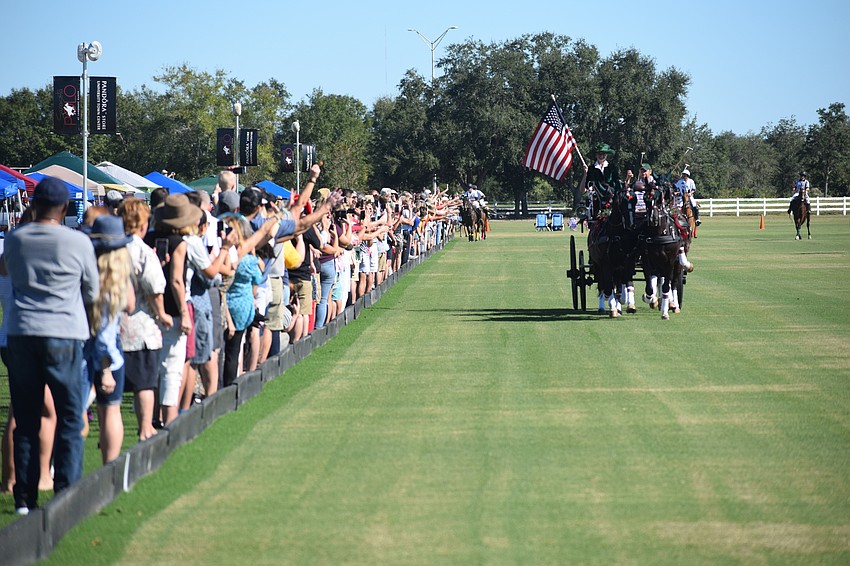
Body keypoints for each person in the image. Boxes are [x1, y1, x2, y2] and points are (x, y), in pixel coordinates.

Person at [0, 176, 99, 515]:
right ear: (66, 207)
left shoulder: (15, 239)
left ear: (33, 203)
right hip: (65, 331)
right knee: (70, 416)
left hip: (23, 331)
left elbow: (8, 273)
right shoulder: (78, 242)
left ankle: (23, 498)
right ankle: (65, 492)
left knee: (25, 418)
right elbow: (92, 292)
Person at [117, 198, 173, 440]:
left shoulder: (110, 247)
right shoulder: (141, 250)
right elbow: (154, 288)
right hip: (140, 328)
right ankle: (145, 429)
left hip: (111, 326)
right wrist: (162, 314)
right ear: (143, 223)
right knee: (145, 384)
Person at [144, 194, 200, 425]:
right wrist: (185, 314)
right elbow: (177, 281)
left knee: (153, 370)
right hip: (172, 312)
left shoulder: (147, 238)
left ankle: (149, 421)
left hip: (148, 310)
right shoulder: (180, 244)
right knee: (171, 371)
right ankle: (170, 423)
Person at [85, 214, 135, 464]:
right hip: (105, 352)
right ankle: (109, 468)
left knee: (78, 412)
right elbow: (105, 330)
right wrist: (105, 369)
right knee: (110, 410)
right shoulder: (114, 282)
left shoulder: (86, 272)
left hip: (82, 346)